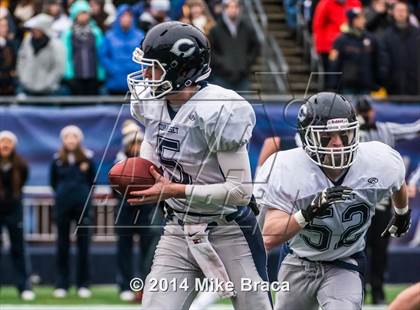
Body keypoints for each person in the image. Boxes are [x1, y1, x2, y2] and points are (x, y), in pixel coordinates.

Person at [126, 21, 272, 309]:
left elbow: (240, 192)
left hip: (229, 229)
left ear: (181, 70)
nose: (144, 75)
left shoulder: (219, 109)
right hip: (179, 227)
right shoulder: (152, 101)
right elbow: (152, 141)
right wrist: (144, 170)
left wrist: (174, 190)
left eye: (153, 67)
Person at [257, 92, 411, 310]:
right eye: (327, 136)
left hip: (345, 262)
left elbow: (397, 181)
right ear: (308, 137)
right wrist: (307, 213)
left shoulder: (378, 160)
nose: (338, 143)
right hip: (299, 262)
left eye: (344, 133)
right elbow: (269, 236)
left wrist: (402, 212)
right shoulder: (288, 167)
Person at [355, 96, 420, 304]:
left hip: (382, 202)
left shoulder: (385, 130)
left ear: (372, 112)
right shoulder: (349, 132)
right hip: (360, 202)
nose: (366, 116)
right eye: (362, 112)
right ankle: (359, 290)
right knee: (358, 249)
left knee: (380, 248)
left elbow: (413, 129)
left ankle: (378, 291)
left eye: (367, 112)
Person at [50, 125, 95, 299]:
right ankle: (62, 284)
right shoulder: (56, 159)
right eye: (67, 137)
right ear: (63, 140)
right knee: (62, 245)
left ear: (79, 139)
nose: (70, 140)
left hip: (82, 207)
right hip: (62, 207)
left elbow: (92, 181)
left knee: (83, 245)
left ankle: (83, 284)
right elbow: (53, 182)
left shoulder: (88, 158)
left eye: (73, 136)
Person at [0, 131, 35, 301]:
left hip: (14, 210)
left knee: (19, 248)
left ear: (13, 145)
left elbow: (23, 181)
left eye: (8, 142)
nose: (5, 145)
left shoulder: (21, 164)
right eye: (2, 141)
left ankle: (24, 287)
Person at [208, 0, 259, 92]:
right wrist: (222, 65)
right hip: (221, 78)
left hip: (243, 78)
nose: (233, 9)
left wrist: (246, 63)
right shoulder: (215, 30)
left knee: (244, 105)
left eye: (236, 6)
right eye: (230, 7)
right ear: (224, 9)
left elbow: (255, 48)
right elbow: (211, 52)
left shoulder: (247, 29)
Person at [328, 8, 381, 94]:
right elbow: (334, 63)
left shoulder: (371, 39)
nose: (363, 20)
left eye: (363, 18)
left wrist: (377, 82)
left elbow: (376, 61)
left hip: (366, 85)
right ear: (353, 20)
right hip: (347, 86)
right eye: (360, 18)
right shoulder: (341, 40)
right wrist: (333, 84)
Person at [99, 4, 144, 95]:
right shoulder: (109, 36)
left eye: (129, 16)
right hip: (115, 83)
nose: (126, 19)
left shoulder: (140, 36)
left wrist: (138, 70)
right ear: (118, 17)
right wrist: (113, 69)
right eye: (123, 16)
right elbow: (103, 56)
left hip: (136, 83)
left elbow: (145, 55)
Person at [16, 13, 65, 96]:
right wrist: (23, 79)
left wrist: (48, 84)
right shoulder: (27, 41)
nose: (33, 31)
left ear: (44, 29)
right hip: (27, 88)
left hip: (48, 91)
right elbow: (21, 60)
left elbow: (58, 67)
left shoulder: (56, 45)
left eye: (36, 29)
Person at [62, 0, 105, 95]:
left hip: (93, 76)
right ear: (75, 14)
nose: (84, 16)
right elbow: (66, 54)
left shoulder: (96, 32)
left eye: (86, 13)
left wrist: (101, 73)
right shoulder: (69, 34)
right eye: (81, 13)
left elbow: (100, 53)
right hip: (75, 77)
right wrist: (68, 73)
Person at [380, 1, 420, 95]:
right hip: (394, 88)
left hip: (416, 87)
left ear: (408, 13)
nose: (401, 13)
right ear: (393, 13)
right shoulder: (386, 36)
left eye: (403, 10)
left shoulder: (417, 34)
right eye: (398, 10)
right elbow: (383, 62)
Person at [312, 0, 361, 73]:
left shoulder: (354, 3)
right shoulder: (325, 3)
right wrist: (318, 46)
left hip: (351, 46)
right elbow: (318, 25)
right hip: (329, 47)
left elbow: (360, 21)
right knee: (331, 72)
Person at [0, 16, 17, 95]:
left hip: (8, 86)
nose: (5, 29)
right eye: (2, 26)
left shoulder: (11, 44)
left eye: (6, 26)